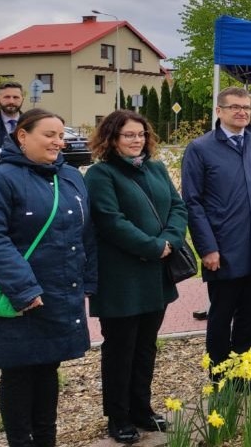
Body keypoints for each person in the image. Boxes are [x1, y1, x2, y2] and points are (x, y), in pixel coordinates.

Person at [84, 110, 188, 442]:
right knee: (120, 348)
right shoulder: (100, 175)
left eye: (141, 134)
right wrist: (152, 246)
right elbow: (110, 221)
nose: (136, 140)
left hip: (156, 273)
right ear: (112, 138)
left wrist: (169, 240)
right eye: (128, 135)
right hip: (121, 277)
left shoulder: (156, 168)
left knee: (145, 346)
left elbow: (177, 206)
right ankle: (118, 416)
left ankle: (141, 409)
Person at [0, 109, 96, 447]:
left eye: (60, 135)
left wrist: (89, 282)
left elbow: (87, 234)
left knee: (48, 368)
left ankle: (46, 441)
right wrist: (24, 289)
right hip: (22, 295)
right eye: (49, 135)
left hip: (60, 289)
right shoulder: (3, 178)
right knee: (19, 371)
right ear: (22, 136)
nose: (59, 141)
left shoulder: (70, 176)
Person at [182, 87, 251, 371]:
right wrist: (207, 247)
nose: (242, 112)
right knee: (221, 314)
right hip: (224, 248)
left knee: (249, 315)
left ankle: (244, 372)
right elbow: (192, 202)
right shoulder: (200, 149)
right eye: (235, 107)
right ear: (219, 111)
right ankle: (221, 376)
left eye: (246, 107)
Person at [0, 80, 24, 158]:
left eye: (16, 97)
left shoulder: (33, 124)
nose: (11, 101)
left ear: (22, 99)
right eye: (7, 97)